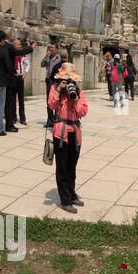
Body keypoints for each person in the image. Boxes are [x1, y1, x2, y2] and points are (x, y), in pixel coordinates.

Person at [48, 62, 88, 213]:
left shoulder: (78, 92)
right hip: (61, 132)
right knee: (62, 167)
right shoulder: (55, 89)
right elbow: (51, 105)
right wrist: (59, 90)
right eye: (67, 81)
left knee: (72, 166)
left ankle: (71, 194)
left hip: (75, 132)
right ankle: (65, 200)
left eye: (71, 81)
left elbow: (83, 111)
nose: (70, 84)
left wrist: (76, 98)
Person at [0, 30, 32, 136]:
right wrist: (13, 73)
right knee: (1, 105)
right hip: (2, 81)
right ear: (2, 40)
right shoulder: (3, 51)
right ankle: (0, 129)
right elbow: (9, 66)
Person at [7, 37, 29, 127]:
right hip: (13, 78)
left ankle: (23, 118)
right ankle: (13, 117)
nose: (20, 46)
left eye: (20, 45)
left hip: (20, 78)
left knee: (21, 99)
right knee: (12, 99)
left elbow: (28, 64)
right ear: (14, 45)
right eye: (18, 44)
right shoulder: (11, 54)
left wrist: (26, 72)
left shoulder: (23, 55)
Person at [41, 43, 61, 126]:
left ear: (56, 49)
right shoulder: (48, 58)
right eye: (50, 48)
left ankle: (56, 118)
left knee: (56, 100)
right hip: (49, 81)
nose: (51, 49)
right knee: (49, 101)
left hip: (56, 82)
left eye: (52, 47)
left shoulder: (59, 58)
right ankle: (49, 120)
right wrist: (46, 56)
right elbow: (42, 64)